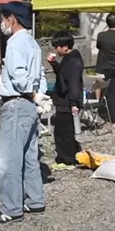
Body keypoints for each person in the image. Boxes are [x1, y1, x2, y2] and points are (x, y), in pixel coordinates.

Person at [0, 1, 48, 224]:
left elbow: (19, 76)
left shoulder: (13, 43)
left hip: (15, 103)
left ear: (12, 18)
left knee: (9, 160)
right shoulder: (33, 43)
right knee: (30, 155)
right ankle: (35, 200)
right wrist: (38, 97)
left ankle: (11, 209)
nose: (2, 23)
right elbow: (40, 75)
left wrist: (30, 94)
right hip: (31, 105)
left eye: (4, 18)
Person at [47, 30, 84, 171]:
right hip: (64, 100)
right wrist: (54, 64)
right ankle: (68, 156)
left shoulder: (73, 61)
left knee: (64, 132)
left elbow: (73, 82)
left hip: (68, 101)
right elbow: (63, 75)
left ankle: (68, 160)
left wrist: (74, 103)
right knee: (62, 130)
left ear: (65, 46)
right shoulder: (69, 59)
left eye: (57, 47)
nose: (55, 50)